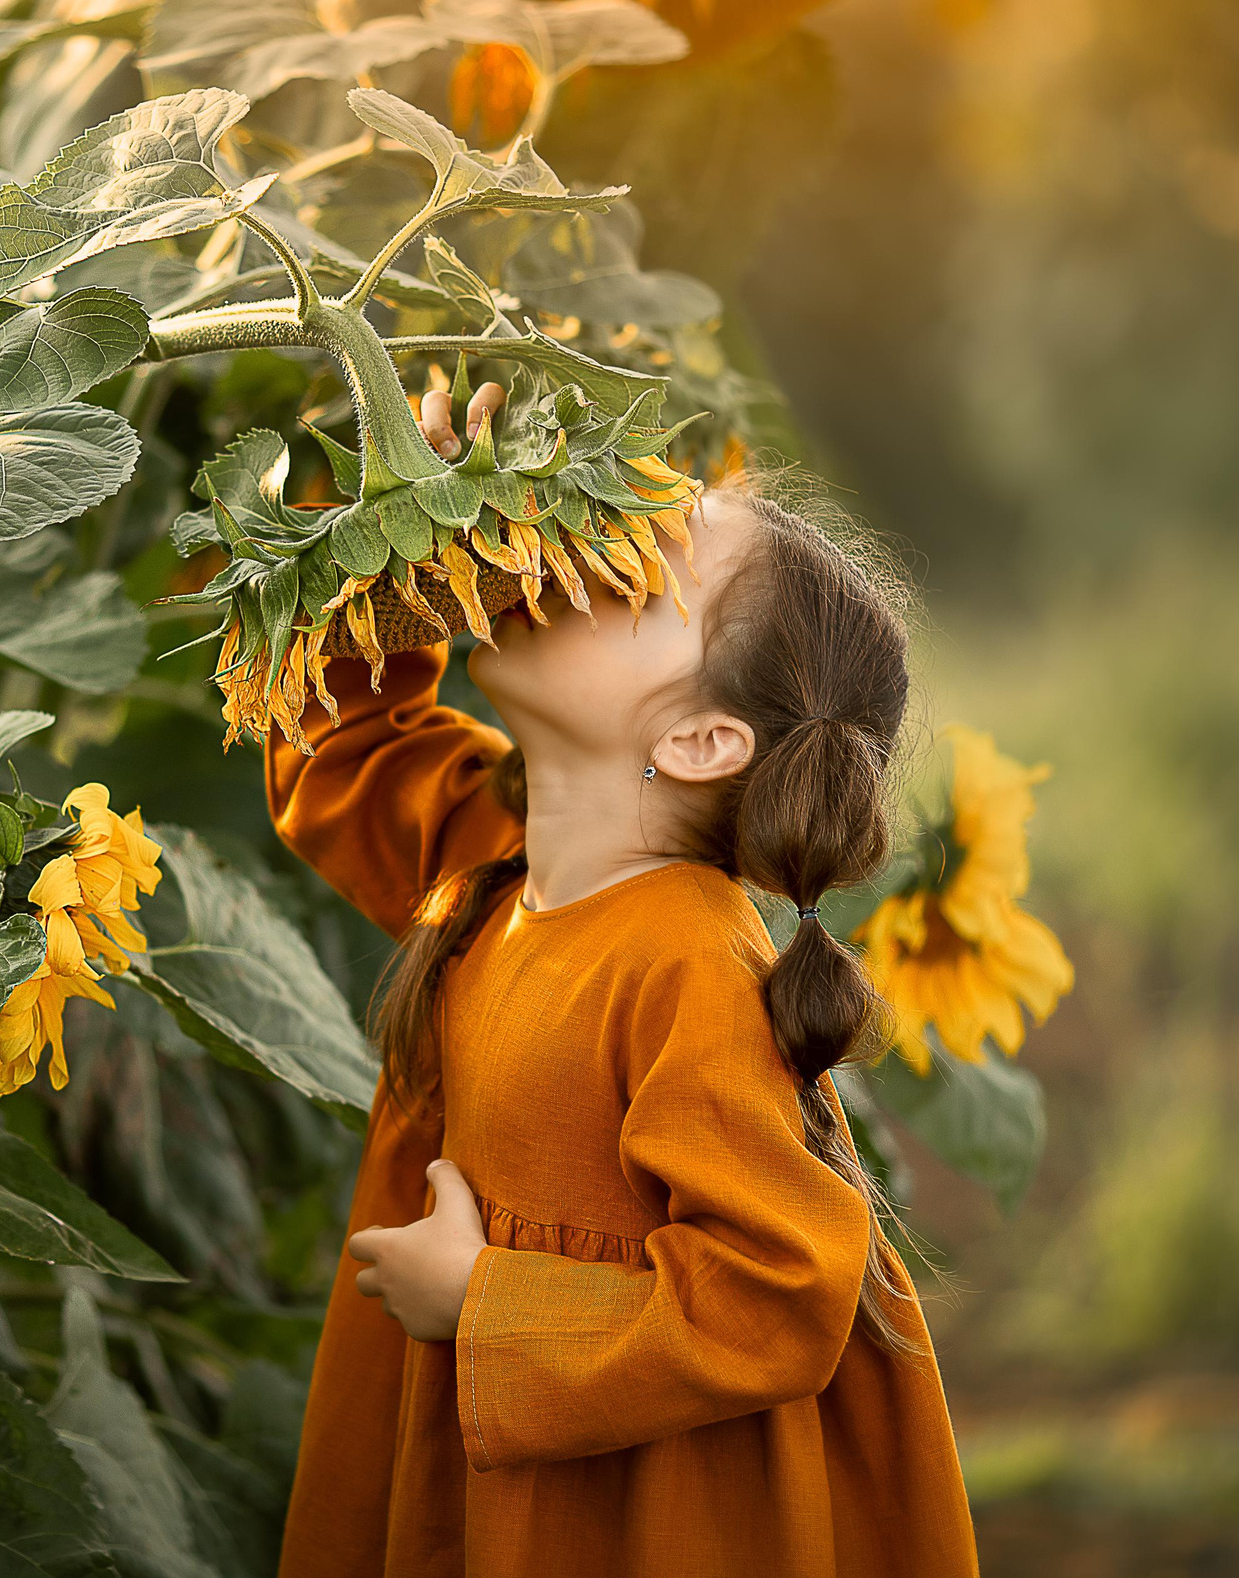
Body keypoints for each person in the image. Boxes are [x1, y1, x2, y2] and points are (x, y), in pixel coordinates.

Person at [267, 387, 979, 1577]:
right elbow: (342, 741)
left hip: (639, 1520)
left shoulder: (685, 959)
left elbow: (777, 1288)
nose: (578, 557)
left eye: (635, 578)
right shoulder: (487, 859)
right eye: (611, 524)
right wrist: (399, 520)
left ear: (699, 741)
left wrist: (484, 1301)